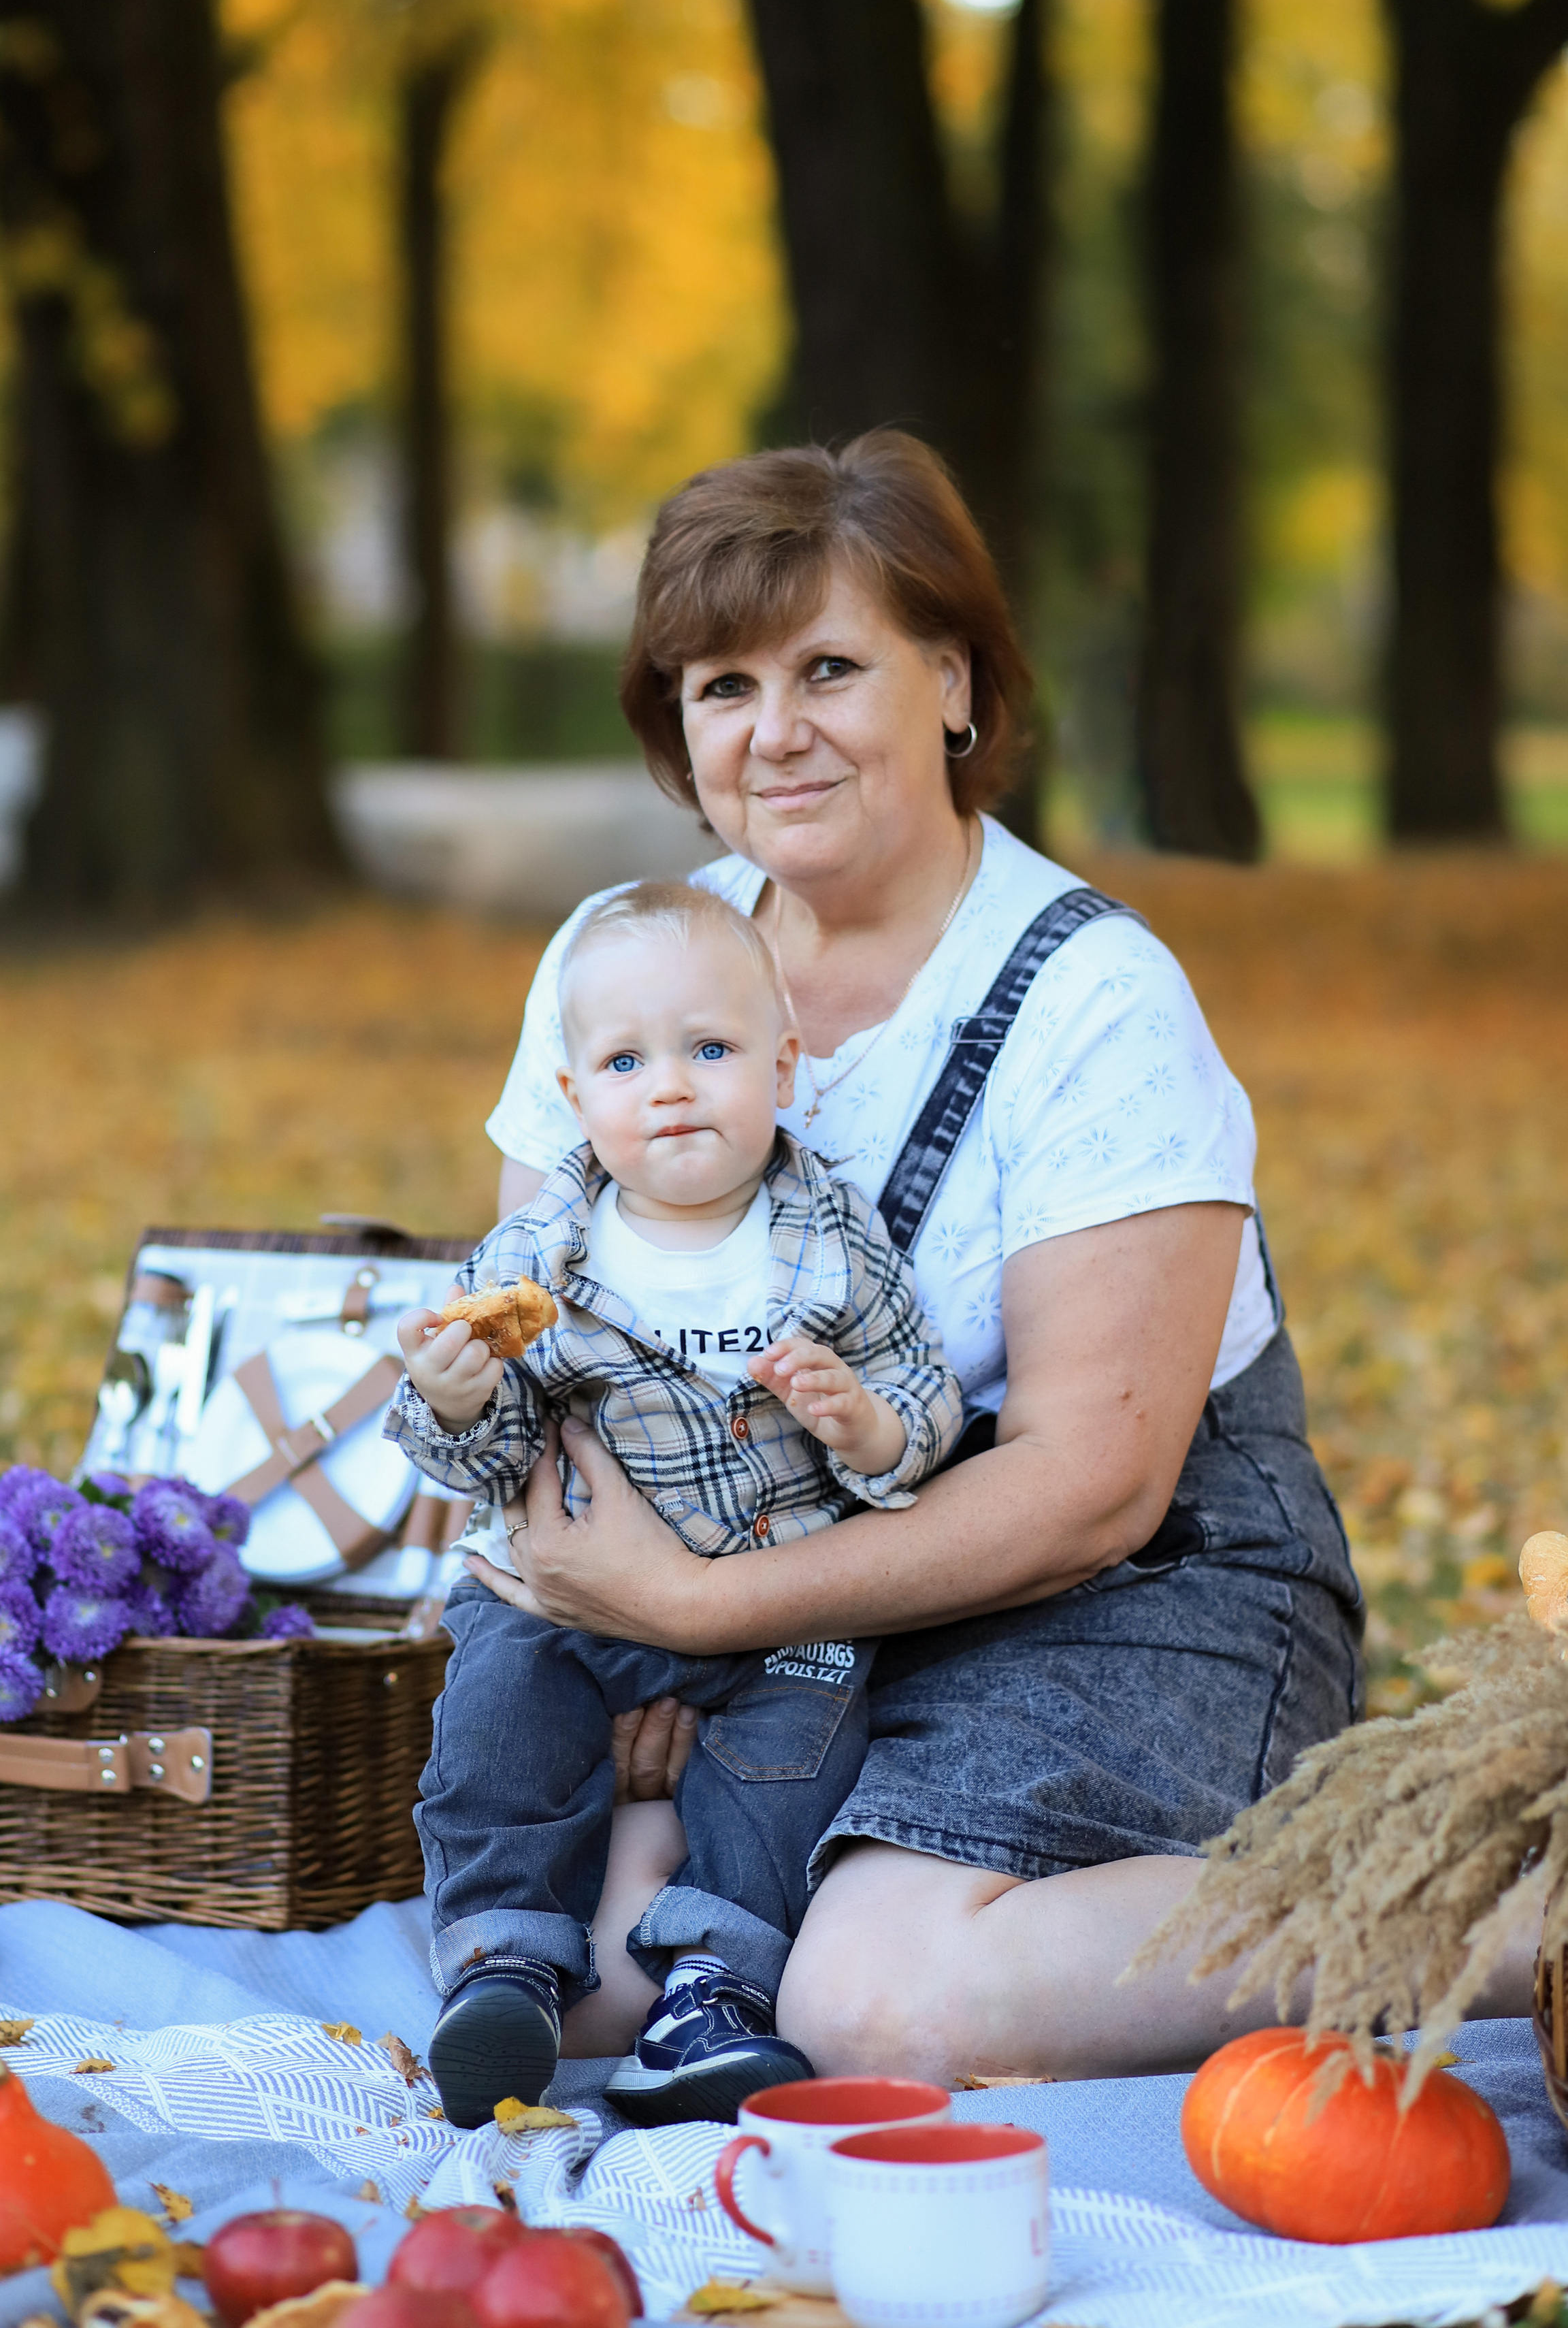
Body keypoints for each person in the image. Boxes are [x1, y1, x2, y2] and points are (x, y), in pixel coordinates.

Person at [456, 428, 1381, 2088]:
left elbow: (1093, 1485)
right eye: (721, 685)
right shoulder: (630, 963)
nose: (775, 731)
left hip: (1133, 1580)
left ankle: (1466, 1899)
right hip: (788, 1592)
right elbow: (542, 1354)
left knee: (875, 2005)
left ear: (949, 683)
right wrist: (625, 1640)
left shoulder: (1091, 1001)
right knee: (585, 1986)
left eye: (828, 668)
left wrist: (707, 1601)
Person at [389, 879, 962, 2126]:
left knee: (798, 1758)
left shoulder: (832, 1244)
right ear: (573, 1098)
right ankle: (503, 1959)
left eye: (711, 1050)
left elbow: (922, 1385)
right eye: (626, 1060)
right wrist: (451, 1396)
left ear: (784, 1067)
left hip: (778, 1596)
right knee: (495, 1717)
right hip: (569, 1596)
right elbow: (495, 1459)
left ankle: (716, 1991)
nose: (672, 1086)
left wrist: (869, 1425)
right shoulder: (536, 1263)